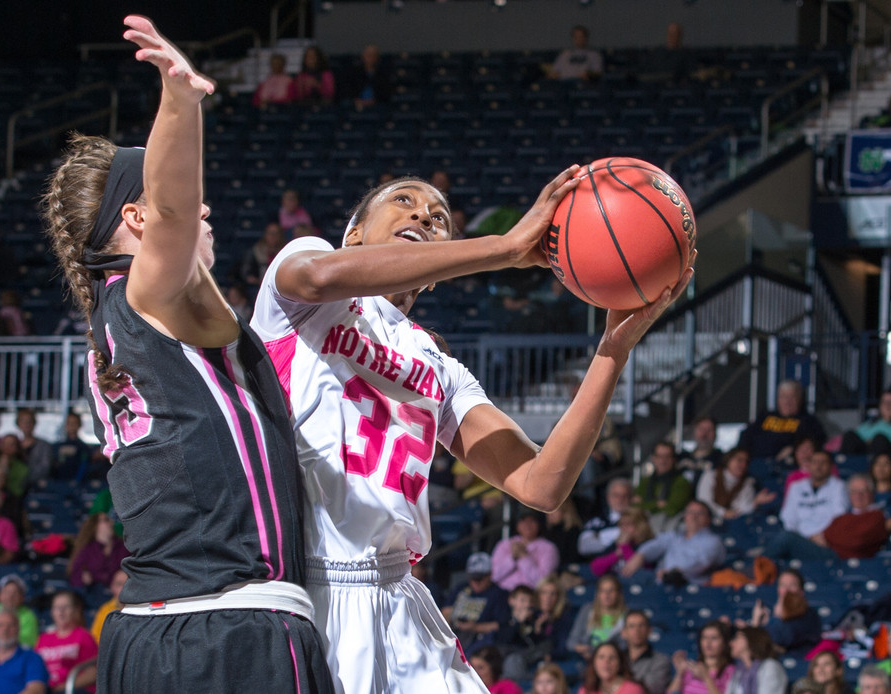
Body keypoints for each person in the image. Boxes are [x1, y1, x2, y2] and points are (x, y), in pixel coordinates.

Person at [250, 156, 694, 691]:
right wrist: (506, 247)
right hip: (304, 586)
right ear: (353, 234)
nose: (424, 215)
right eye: (404, 201)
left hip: (398, 595)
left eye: (439, 217)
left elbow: (541, 484)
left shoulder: (439, 366)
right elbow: (319, 278)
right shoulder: (304, 277)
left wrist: (611, 353)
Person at [41, 15, 332, 694]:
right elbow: (175, 216)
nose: (205, 211)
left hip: (148, 631)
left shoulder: (120, 319)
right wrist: (180, 98)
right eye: (176, 197)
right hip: (227, 631)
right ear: (136, 218)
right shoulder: (143, 288)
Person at [770, 473, 891, 560]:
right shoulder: (843, 517)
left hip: (838, 557)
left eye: (863, 491)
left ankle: (756, 570)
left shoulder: (876, 516)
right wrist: (823, 537)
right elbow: (834, 534)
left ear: (871, 493)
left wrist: (827, 538)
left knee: (787, 537)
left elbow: (856, 542)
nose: (858, 496)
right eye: (854, 491)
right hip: (830, 551)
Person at [766, 449, 849, 560]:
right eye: (815, 462)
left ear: (830, 466)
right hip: (799, 540)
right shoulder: (796, 487)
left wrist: (824, 536)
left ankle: (755, 570)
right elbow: (788, 518)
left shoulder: (839, 486)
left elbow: (840, 516)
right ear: (809, 465)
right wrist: (807, 538)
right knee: (785, 536)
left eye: (823, 463)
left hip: (825, 544)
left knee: (785, 538)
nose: (818, 466)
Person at [620, 500, 725, 586]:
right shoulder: (674, 536)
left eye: (699, 513)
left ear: (708, 519)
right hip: (663, 582)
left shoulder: (713, 541)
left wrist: (675, 572)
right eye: (690, 512)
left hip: (690, 586)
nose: (693, 516)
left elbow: (701, 564)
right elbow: (656, 544)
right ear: (685, 516)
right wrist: (640, 555)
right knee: (625, 576)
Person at [737, 379, 826, 459]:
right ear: (778, 399)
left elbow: (816, 442)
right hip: (756, 464)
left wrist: (793, 449)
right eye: (783, 396)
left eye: (792, 397)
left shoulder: (808, 421)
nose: (787, 401)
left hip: (786, 467)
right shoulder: (764, 416)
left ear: (799, 399)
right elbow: (746, 436)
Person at [442, 551, 511, 655]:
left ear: (490, 575)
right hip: (454, 634)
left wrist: (475, 627)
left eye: (481, 578)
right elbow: (445, 611)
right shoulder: (461, 588)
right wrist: (451, 622)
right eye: (473, 577)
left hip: (480, 640)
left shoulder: (498, 594)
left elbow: (500, 625)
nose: (476, 582)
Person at [35, 590, 98, 692]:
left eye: (66, 607)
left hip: (73, 689)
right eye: (57, 607)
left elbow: (94, 672)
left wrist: (65, 686)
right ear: (52, 612)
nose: (61, 611)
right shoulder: (43, 638)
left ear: (75, 610)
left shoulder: (83, 636)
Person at [747, 568, 821, 653]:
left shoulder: (809, 615)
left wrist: (757, 624)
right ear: (778, 590)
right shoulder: (775, 615)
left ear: (801, 592)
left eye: (792, 585)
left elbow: (781, 637)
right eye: (782, 585)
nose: (786, 590)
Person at [695, 448, 775, 520]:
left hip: (732, 523)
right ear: (728, 460)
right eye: (739, 460)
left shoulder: (747, 484)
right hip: (707, 519)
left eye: (746, 462)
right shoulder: (710, 475)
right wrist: (723, 512)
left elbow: (742, 509)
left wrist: (755, 502)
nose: (743, 465)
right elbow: (704, 501)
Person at [491, 509, 559, 591]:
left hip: (532, 594)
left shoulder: (549, 548)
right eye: (523, 521)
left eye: (532, 521)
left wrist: (524, 557)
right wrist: (512, 558)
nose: (527, 524)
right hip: (503, 593)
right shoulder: (504, 544)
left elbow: (543, 581)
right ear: (517, 525)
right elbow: (493, 576)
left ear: (539, 524)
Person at [633, 441, 693, 532]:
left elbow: (672, 509)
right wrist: (658, 504)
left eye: (667, 457)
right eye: (659, 456)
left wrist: (646, 506)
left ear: (674, 459)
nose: (663, 461)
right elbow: (635, 506)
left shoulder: (681, 482)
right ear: (653, 458)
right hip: (643, 528)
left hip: (667, 528)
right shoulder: (645, 481)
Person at [567, 574, 627, 660]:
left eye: (611, 591)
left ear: (618, 594)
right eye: (603, 591)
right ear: (598, 594)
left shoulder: (626, 615)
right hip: (586, 658)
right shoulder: (587, 610)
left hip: (613, 659)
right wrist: (581, 648)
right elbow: (571, 642)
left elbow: (625, 645)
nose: (607, 595)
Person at [67, 513, 128, 595]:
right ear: (95, 525)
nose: (111, 522)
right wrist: (83, 578)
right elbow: (74, 576)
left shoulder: (124, 547)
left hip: (120, 593)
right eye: (105, 520)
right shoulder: (86, 550)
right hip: (95, 594)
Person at [668, 621, 734, 694]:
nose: (708, 642)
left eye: (714, 638)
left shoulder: (730, 671)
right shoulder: (692, 669)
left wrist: (706, 678)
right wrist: (679, 673)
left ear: (725, 643)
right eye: (704, 637)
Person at [589, 507, 654, 577]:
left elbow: (636, 570)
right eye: (622, 524)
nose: (624, 528)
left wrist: (624, 547)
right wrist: (616, 555)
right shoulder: (617, 544)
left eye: (628, 524)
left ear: (641, 526)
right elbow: (595, 569)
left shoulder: (648, 544)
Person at [578, 478, 634, 558]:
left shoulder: (637, 520)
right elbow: (583, 547)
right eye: (616, 495)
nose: (620, 500)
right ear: (608, 497)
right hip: (601, 565)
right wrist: (617, 539)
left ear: (630, 498)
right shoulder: (596, 521)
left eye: (625, 496)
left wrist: (600, 536)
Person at [621, 609, 671, 694]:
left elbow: (652, 689)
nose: (637, 630)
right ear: (623, 633)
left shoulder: (661, 661)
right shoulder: (616, 659)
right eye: (631, 626)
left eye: (641, 625)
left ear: (649, 631)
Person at [725, 626, 787, 694]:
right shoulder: (739, 670)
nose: (731, 643)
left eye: (737, 638)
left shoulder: (770, 666)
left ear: (751, 639)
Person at [578, 641, 643, 694]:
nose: (606, 661)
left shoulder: (634, 690)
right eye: (601, 657)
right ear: (594, 662)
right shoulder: (585, 691)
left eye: (612, 657)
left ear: (620, 663)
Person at [841, 389, 891, 456]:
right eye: (884, 402)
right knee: (849, 435)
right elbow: (857, 437)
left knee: (880, 440)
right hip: (865, 452)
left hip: (884, 456)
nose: (888, 406)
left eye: (890, 402)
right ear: (880, 406)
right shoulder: (870, 423)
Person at [239, 222, 287, 288]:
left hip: (280, 286)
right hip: (257, 286)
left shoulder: (285, 252)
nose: (273, 236)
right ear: (265, 234)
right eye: (270, 233)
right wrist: (252, 279)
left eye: (276, 233)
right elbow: (246, 271)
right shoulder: (256, 250)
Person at [341, 43, 391, 108]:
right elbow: (348, 89)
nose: (369, 58)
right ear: (363, 56)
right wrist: (356, 100)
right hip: (356, 102)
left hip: (376, 103)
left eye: (372, 56)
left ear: (377, 58)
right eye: (368, 55)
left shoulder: (382, 74)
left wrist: (373, 101)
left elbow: (384, 93)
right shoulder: (354, 72)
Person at [50, 411, 94, 482]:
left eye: (74, 423)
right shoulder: (57, 446)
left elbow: (84, 465)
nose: (71, 426)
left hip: (76, 483)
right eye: (69, 423)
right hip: (58, 481)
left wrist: (77, 481)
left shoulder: (83, 447)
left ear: (79, 425)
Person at [678, 416, 724, 483]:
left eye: (709, 430)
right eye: (701, 429)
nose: (704, 434)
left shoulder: (721, 459)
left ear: (715, 433)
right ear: (694, 431)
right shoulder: (681, 457)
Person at [15, 409, 53, 485]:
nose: (26, 424)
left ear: (34, 423)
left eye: (29, 421)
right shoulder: (15, 444)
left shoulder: (44, 445)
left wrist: (25, 478)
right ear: (18, 424)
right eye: (23, 421)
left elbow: (45, 467)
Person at [543, 498, 583, 566]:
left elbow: (572, 558)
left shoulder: (573, 532)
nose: (549, 514)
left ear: (565, 511)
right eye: (547, 511)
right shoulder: (548, 532)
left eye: (554, 510)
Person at [90, 569, 126, 644]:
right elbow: (95, 638)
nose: (123, 588)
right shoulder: (104, 610)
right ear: (112, 587)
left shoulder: (141, 609)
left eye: (126, 584)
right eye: (119, 584)